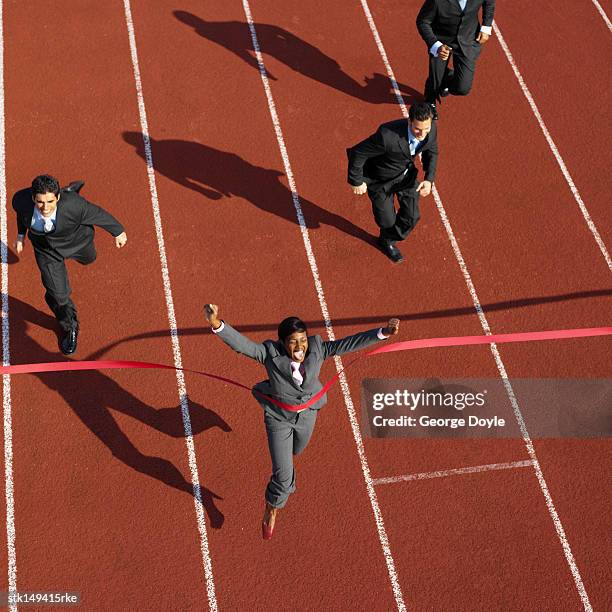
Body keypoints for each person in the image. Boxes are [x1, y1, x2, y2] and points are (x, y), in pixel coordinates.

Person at [204, 303, 400, 540]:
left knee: (298, 450)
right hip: (279, 418)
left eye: (303, 340)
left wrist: (383, 333)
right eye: (293, 341)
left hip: (308, 415)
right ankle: (272, 506)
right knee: (284, 474)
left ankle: (285, 481)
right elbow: (242, 346)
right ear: (283, 343)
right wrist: (217, 324)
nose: (300, 346)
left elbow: (348, 343)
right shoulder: (269, 354)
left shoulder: (317, 349)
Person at [12, 175, 127, 355]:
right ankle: (69, 326)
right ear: (33, 198)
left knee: (89, 260)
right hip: (46, 251)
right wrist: (21, 236)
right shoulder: (21, 201)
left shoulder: (74, 206)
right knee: (58, 295)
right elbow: (22, 216)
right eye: (40, 202)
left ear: (57, 198)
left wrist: (118, 231)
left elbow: (98, 214)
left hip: (77, 242)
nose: (45, 207)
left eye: (50, 201)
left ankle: (69, 191)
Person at [346, 102, 438, 263]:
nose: (422, 134)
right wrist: (356, 181)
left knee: (412, 217)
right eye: (417, 129)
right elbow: (358, 153)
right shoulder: (386, 136)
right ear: (410, 121)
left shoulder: (431, 130)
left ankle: (387, 241)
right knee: (386, 221)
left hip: (405, 177)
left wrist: (429, 179)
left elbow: (432, 150)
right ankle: (386, 234)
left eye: (426, 129)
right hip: (380, 180)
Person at [416, 0, 495, 119]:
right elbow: (422, 21)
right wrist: (436, 45)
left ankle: (444, 77)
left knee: (462, 88)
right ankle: (430, 101)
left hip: (468, 39)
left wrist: (486, 26)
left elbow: (489, 2)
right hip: (441, 42)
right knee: (435, 79)